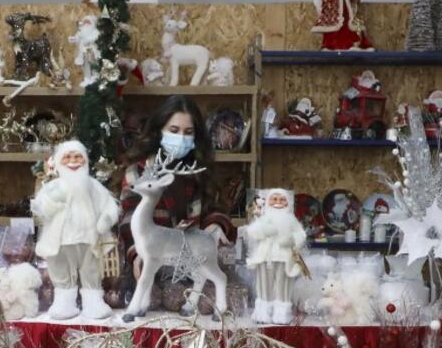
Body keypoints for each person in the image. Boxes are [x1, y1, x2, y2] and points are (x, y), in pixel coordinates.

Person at [118, 94, 236, 286]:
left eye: (188, 132)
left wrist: (215, 224)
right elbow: (130, 216)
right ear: (159, 131)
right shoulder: (139, 172)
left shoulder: (198, 170)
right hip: (151, 267)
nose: (181, 138)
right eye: (174, 130)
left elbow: (214, 206)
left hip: (192, 266)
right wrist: (135, 254)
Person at [32, 140, 120, 320]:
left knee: (91, 269)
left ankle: (93, 303)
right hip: (60, 240)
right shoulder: (54, 186)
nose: (73, 161)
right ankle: (64, 303)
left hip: (89, 238)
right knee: (60, 269)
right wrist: (52, 202)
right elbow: (40, 207)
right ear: (58, 161)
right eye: (68, 157)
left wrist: (106, 219)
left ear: (85, 160)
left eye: (78, 157)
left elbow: (110, 205)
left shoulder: (93, 185)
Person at [246, 189, 309, 324]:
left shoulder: (291, 219)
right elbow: (252, 231)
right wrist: (264, 230)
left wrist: (291, 240)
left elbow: (301, 235)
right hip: (265, 257)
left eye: (282, 199)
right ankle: (263, 312)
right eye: (274, 199)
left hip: (284, 257)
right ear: (268, 201)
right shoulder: (264, 218)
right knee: (264, 285)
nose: (278, 202)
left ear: (288, 202)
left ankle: (281, 313)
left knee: (283, 285)